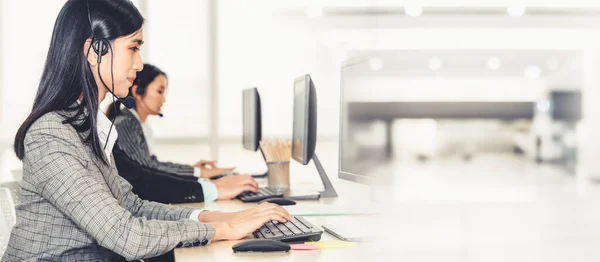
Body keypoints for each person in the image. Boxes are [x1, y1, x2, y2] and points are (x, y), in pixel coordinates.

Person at [1, 0, 289, 261]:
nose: (139, 64)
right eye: (133, 48)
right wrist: (223, 228)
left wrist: (214, 217)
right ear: (94, 51)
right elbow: (125, 235)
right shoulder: (51, 134)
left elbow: (132, 207)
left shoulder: (89, 127)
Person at [107, 64, 258, 203]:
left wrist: (197, 172)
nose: (164, 99)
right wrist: (201, 176)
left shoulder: (137, 124)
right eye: (160, 91)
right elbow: (147, 169)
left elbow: (153, 165)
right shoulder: (126, 123)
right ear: (138, 90)